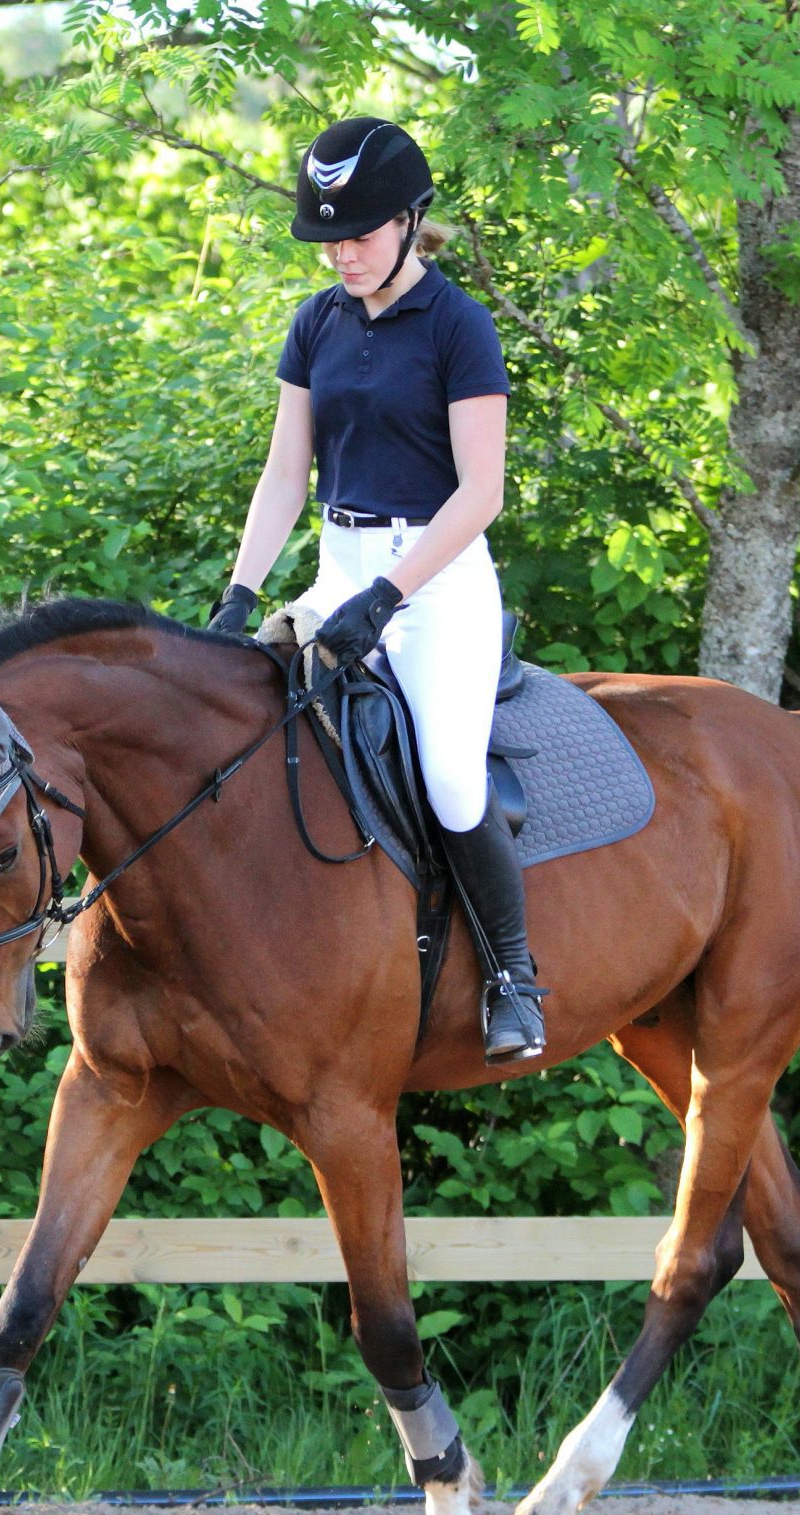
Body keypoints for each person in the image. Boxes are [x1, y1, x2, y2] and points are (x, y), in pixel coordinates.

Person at [205, 115, 544, 1064]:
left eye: (358, 236)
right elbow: (285, 475)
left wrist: (390, 597)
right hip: (338, 565)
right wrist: (241, 592)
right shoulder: (315, 323)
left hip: (435, 581)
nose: (343, 256)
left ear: (408, 223)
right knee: (233, 723)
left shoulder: (458, 326)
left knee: (445, 774)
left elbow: (483, 493)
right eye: (330, 241)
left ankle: (514, 976)